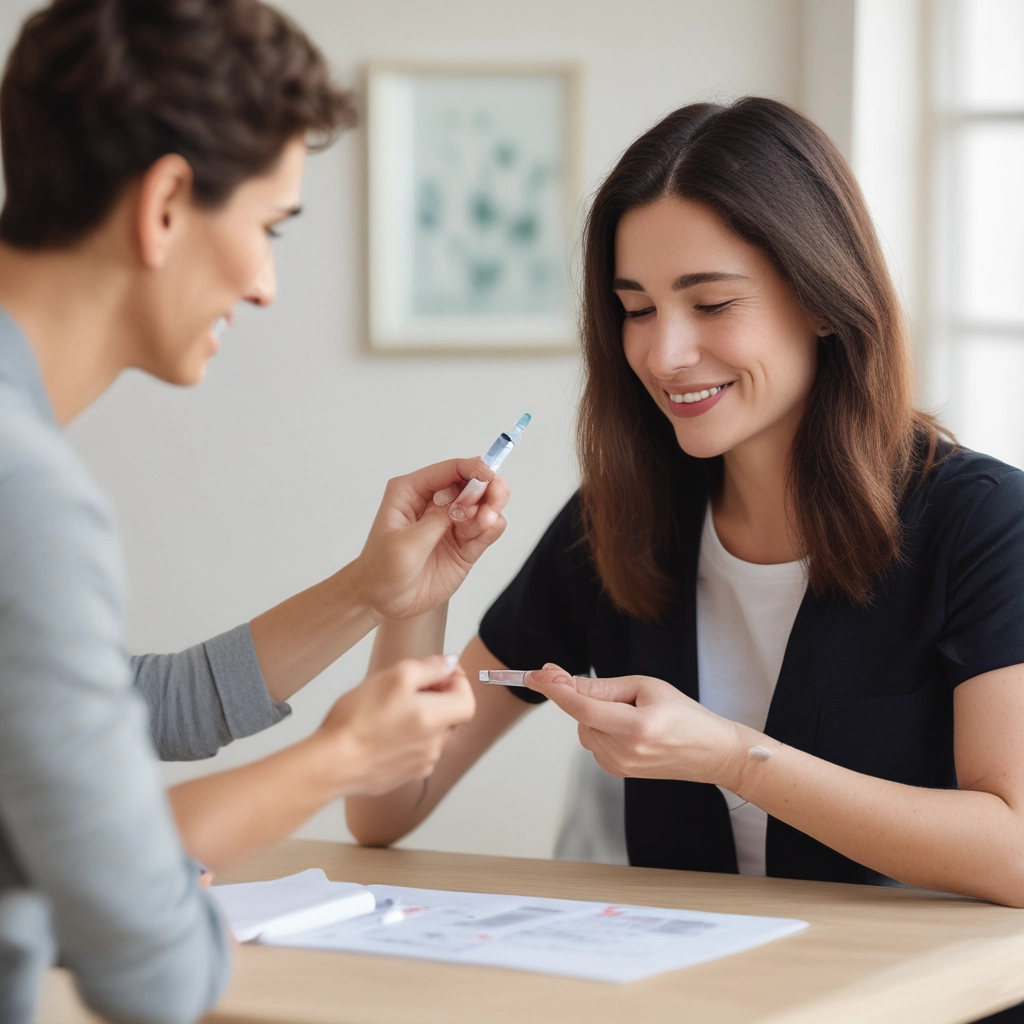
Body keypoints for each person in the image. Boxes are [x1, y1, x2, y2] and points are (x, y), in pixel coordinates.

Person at [348, 97, 1024, 989]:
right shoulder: (620, 522)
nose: (665, 353)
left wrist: (730, 757)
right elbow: (386, 807)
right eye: (635, 309)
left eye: (711, 303)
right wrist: (416, 601)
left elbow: (1014, 851)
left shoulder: (983, 523)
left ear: (824, 297)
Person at [0, 2, 508, 1022]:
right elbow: (150, 971)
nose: (268, 286)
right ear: (168, 204)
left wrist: (374, 592)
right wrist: (342, 760)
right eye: (269, 228)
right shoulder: (28, 496)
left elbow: (127, 708)